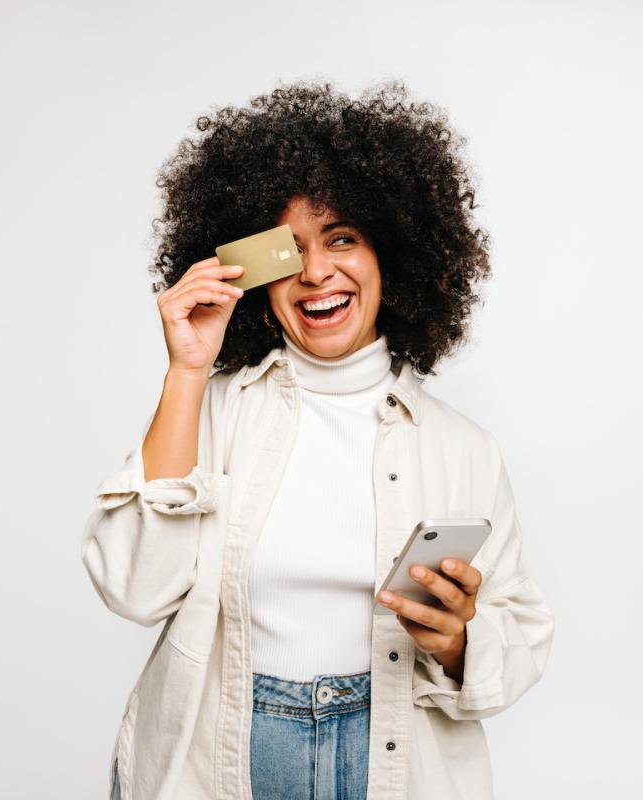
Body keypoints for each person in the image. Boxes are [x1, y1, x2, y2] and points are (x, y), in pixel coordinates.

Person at [81, 79, 554, 800]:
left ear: (392, 256)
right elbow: (133, 591)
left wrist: (459, 641)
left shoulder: (464, 449)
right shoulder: (210, 409)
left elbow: (518, 643)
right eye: (287, 250)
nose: (315, 272)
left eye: (341, 238)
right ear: (257, 276)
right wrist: (187, 371)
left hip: (389, 759)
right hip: (220, 759)